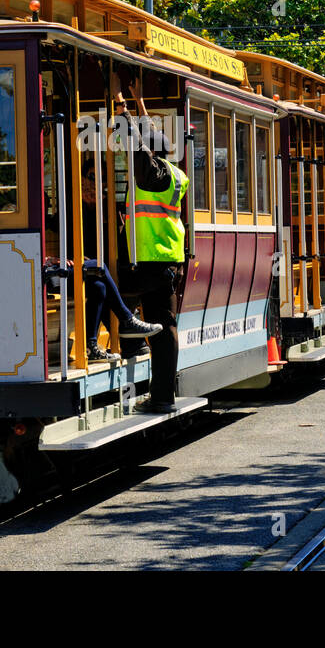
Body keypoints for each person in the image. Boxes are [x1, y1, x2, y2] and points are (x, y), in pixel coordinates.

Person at [116, 78, 187, 413]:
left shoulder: (154, 174)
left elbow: (141, 149)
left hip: (150, 262)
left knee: (156, 328)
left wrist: (123, 110)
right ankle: (161, 394)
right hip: (166, 260)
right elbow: (149, 145)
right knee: (164, 327)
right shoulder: (174, 173)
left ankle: (159, 396)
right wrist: (139, 102)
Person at [79, 167, 162, 362]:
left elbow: (119, 239)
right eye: (89, 177)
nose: (92, 184)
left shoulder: (107, 207)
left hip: (99, 269)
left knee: (100, 284)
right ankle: (129, 331)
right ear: (80, 179)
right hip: (78, 267)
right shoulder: (72, 207)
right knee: (99, 270)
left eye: (98, 179)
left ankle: (101, 343)